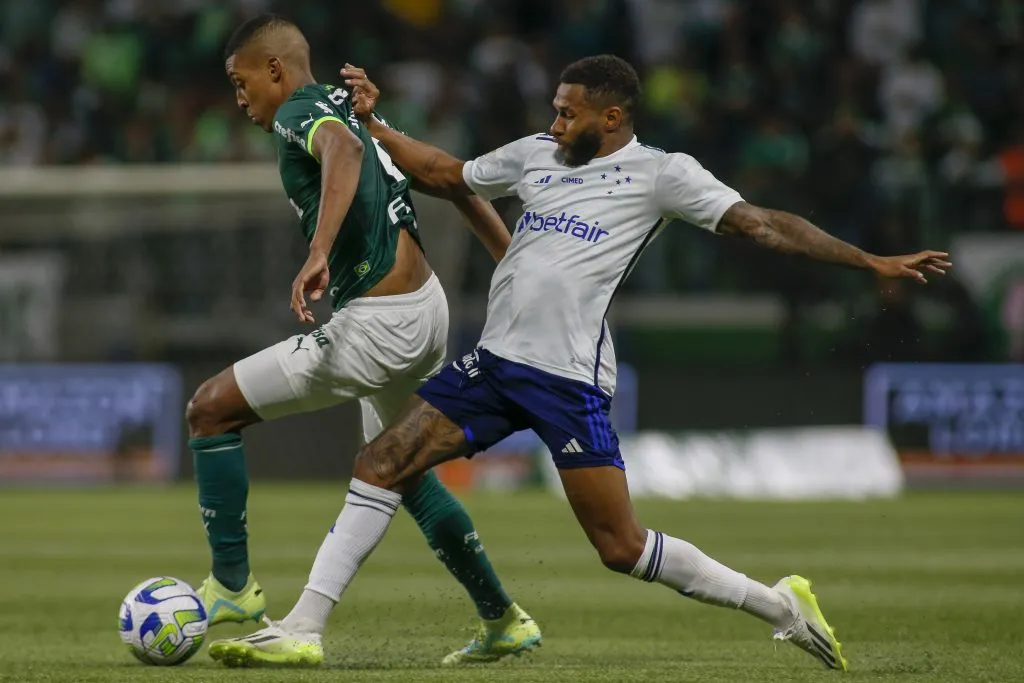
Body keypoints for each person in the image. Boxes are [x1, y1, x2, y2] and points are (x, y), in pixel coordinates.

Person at [224, 54, 952, 671]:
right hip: (496, 365)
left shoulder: (662, 174)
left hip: (568, 380)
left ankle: (779, 603)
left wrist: (869, 260)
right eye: (554, 109)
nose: (555, 123)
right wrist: (371, 124)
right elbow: (448, 174)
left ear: (613, 119)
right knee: (381, 461)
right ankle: (303, 627)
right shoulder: (536, 155)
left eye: (569, 113)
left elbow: (762, 224)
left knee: (621, 547)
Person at [188, 15, 541, 668]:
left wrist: (318, 250)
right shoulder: (356, 113)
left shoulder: (304, 107)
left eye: (241, 84)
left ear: (275, 69)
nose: (239, 100)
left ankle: (238, 590)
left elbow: (343, 158)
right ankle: (502, 617)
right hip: (423, 306)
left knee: (210, 409)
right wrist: (511, 258)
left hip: (380, 322)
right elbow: (448, 178)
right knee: (402, 469)